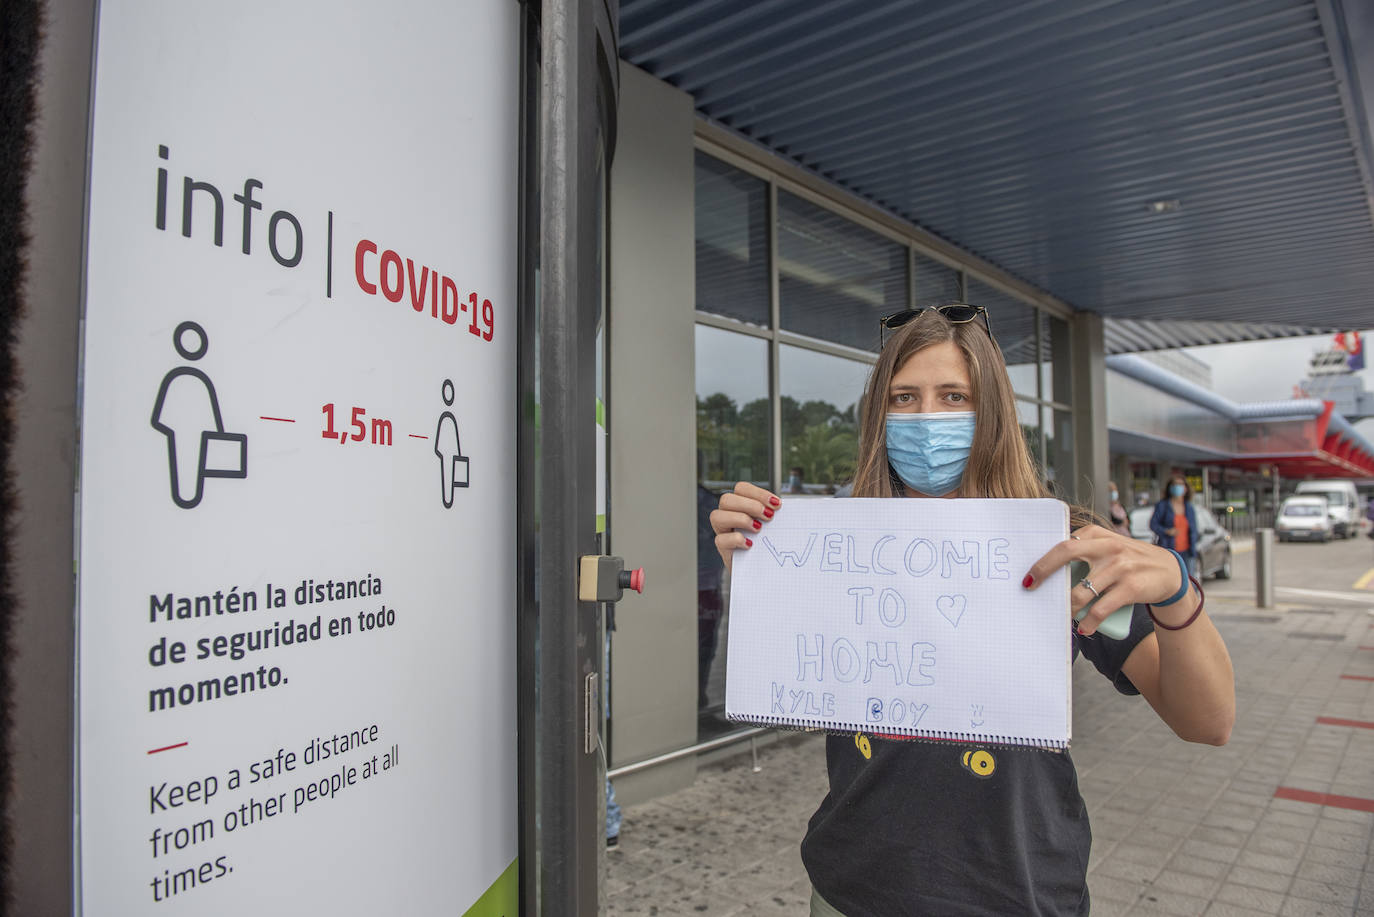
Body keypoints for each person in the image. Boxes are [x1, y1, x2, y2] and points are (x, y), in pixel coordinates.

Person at [708, 305, 1234, 916]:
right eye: (903, 398)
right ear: (878, 416)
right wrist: (762, 570)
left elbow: (1206, 721)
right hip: (850, 888)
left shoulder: (1065, 550)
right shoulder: (837, 544)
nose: (927, 418)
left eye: (954, 395)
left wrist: (1175, 592)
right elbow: (800, 664)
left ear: (993, 414)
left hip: (1014, 891)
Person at [1149, 474, 1200, 578]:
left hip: (1187, 552)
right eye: (1175, 484)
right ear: (1170, 488)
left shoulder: (1189, 507)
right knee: (1171, 580)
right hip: (1169, 550)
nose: (1178, 487)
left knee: (1189, 583)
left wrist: (1194, 547)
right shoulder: (1163, 506)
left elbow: (1194, 529)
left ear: (1185, 488)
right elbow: (1153, 524)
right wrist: (1166, 531)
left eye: (1180, 484)